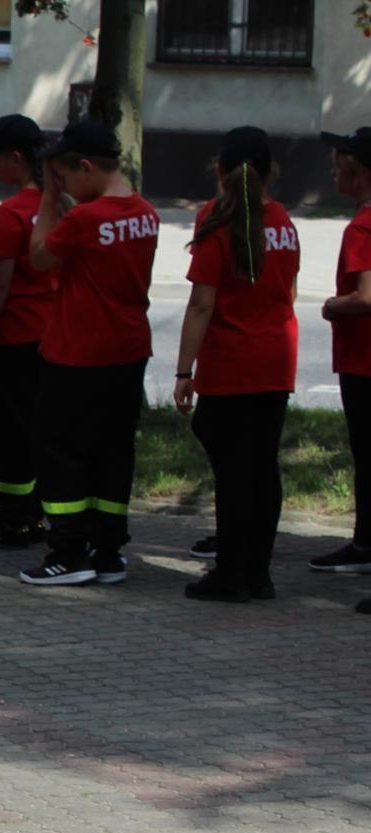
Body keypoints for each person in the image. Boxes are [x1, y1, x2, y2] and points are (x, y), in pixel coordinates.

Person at [21, 119, 159, 589]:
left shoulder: (84, 218)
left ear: (85, 167)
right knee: (114, 452)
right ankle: (107, 551)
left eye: (64, 177)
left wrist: (46, 200)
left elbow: (39, 256)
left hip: (76, 353)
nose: (63, 187)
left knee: (59, 451)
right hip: (128, 350)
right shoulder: (145, 212)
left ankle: (67, 551)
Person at [172, 128, 299, 604]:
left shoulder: (215, 220)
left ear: (220, 172)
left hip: (231, 364)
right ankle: (258, 574)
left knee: (232, 472)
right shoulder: (284, 220)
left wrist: (184, 371)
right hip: (276, 359)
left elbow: (201, 304)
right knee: (263, 469)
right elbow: (287, 291)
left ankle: (230, 576)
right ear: (270, 172)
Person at [0, 114, 55, 550]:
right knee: (44, 431)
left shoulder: (13, 214)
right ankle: (40, 516)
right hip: (54, 337)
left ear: (16, 159)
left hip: (14, 336)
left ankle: (12, 521)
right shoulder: (61, 206)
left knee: (7, 436)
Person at [312, 126, 371, 604]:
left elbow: (366, 297)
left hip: (365, 359)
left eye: (338, 165)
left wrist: (334, 305)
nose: (333, 173)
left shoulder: (362, 227)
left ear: (357, 171)